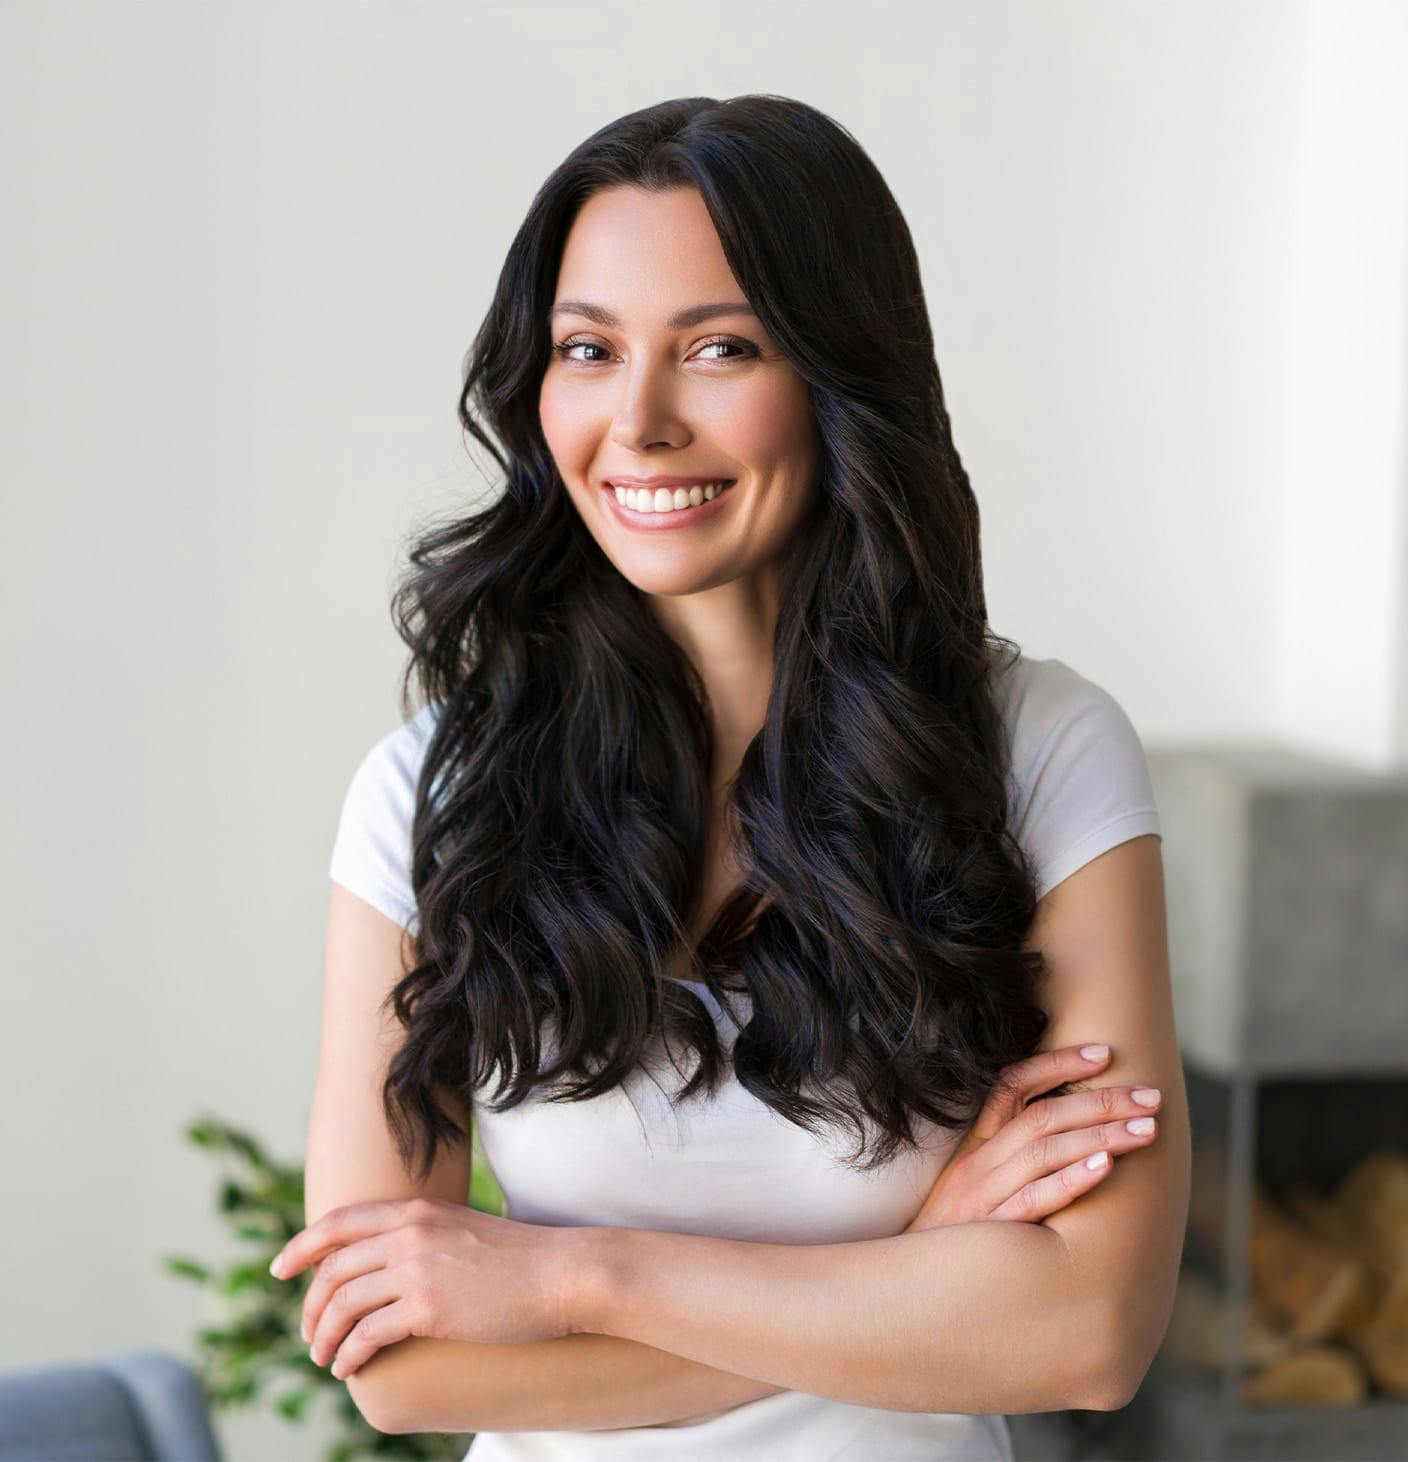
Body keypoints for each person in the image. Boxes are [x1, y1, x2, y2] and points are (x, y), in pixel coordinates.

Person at [272, 95, 1191, 1460]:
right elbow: (401, 1368)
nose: (637, 421)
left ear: (839, 377)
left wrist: (572, 1277)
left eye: (718, 348)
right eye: (588, 349)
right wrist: (919, 1265)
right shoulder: (429, 794)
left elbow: (1090, 1332)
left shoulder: (1043, 752)